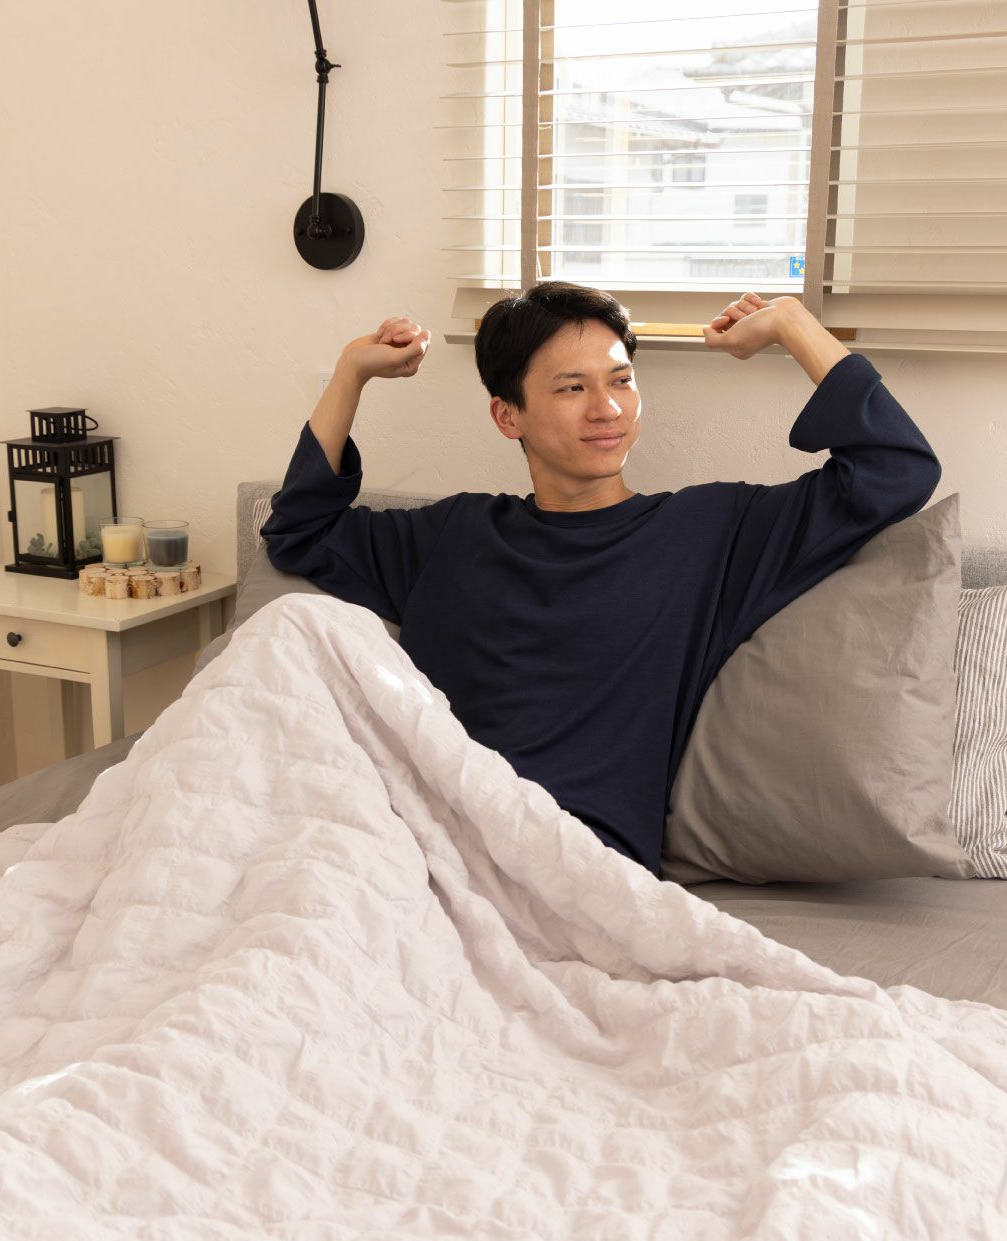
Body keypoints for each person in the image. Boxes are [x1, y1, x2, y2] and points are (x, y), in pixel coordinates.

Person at [260, 282, 941, 877]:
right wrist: (351, 372)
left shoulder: (709, 535)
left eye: (620, 380)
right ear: (508, 416)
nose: (607, 408)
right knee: (285, 627)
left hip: (578, 863)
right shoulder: (451, 536)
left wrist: (793, 323)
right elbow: (299, 531)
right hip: (417, 842)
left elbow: (896, 471)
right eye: (572, 387)